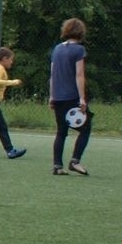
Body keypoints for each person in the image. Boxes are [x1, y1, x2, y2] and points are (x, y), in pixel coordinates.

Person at [49, 17, 93, 176]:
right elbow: (79, 74)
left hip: (58, 96)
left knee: (61, 132)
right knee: (86, 128)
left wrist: (51, 96)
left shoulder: (57, 49)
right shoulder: (79, 50)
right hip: (71, 96)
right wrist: (82, 98)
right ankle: (75, 161)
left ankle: (57, 165)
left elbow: (52, 74)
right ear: (81, 32)